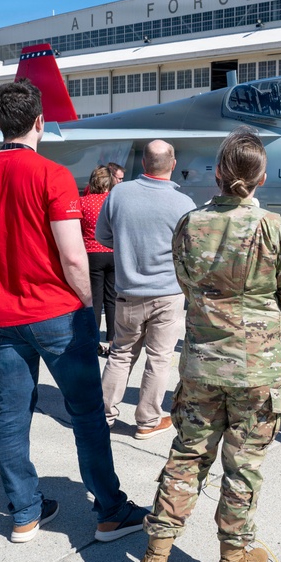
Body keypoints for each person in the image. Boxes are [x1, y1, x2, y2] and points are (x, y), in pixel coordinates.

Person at [0, 80, 148, 543]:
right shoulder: (52, 175)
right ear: (40, 122)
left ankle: (24, 513)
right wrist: (85, 306)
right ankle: (109, 511)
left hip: (2, 318)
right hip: (56, 313)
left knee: (12, 415)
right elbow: (73, 256)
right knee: (86, 415)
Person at [136, 128, 281, 562]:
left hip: (203, 364)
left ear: (216, 174)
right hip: (257, 369)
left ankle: (155, 555)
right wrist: (265, 330)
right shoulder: (272, 227)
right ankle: (234, 557)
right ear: (262, 178)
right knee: (243, 465)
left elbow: (184, 281)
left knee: (187, 455)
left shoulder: (192, 223)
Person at [95, 140, 195, 439]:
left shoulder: (119, 194)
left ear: (144, 164)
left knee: (121, 354)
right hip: (167, 293)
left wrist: (128, 248)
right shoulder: (184, 203)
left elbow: (103, 236)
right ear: (173, 164)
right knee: (159, 358)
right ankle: (147, 420)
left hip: (128, 291)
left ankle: (103, 415)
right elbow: (189, 250)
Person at [81, 165, 117, 354]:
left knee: (95, 300)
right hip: (112, 252)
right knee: (112, 300)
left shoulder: (83, 202)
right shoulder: (113, 201)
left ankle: (94, 342)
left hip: (92, 254)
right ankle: (112, 341)